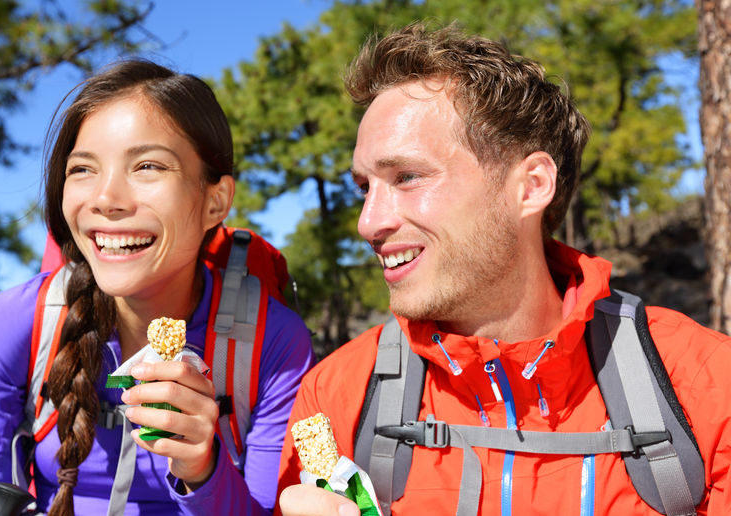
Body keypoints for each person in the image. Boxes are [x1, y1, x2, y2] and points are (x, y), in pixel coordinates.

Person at [276, 23, 731, 516]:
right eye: (365, 186)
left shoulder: (707, 386)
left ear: (532, 186)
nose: (369, 222)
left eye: (406, 177)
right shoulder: (336, 396)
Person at [0, 59, 314, 516]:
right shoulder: (11, 327)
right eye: (82, 169)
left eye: (146, 166)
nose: (105, 199)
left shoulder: (272, 342)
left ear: (215, 201)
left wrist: (203, 468)